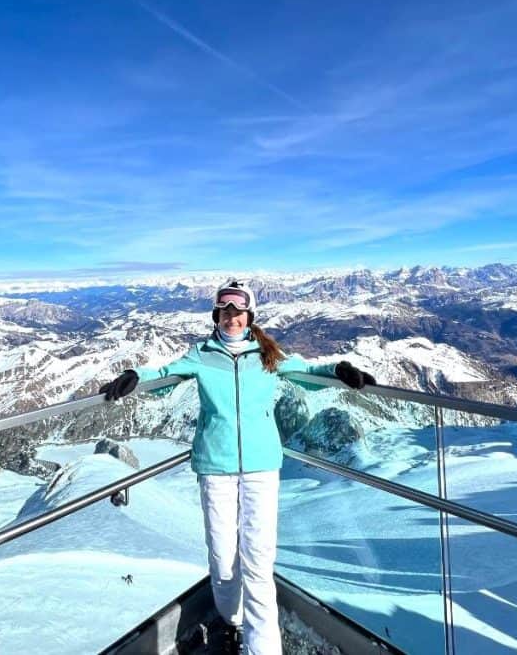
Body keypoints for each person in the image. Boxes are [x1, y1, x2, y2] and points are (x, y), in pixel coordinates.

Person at [100, 280, 375, 655]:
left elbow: (306, 371)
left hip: (261, 466)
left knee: (259, 562)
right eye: (225, 311)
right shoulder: (202, 353)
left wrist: (340, 370)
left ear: (250, 316)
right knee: (223, 558)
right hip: (216, 466)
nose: (232, 317)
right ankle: (232, 621)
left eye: (239, 311)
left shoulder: (267, 354)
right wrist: (135, 376)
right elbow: (165, 375)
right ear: (217, 315)